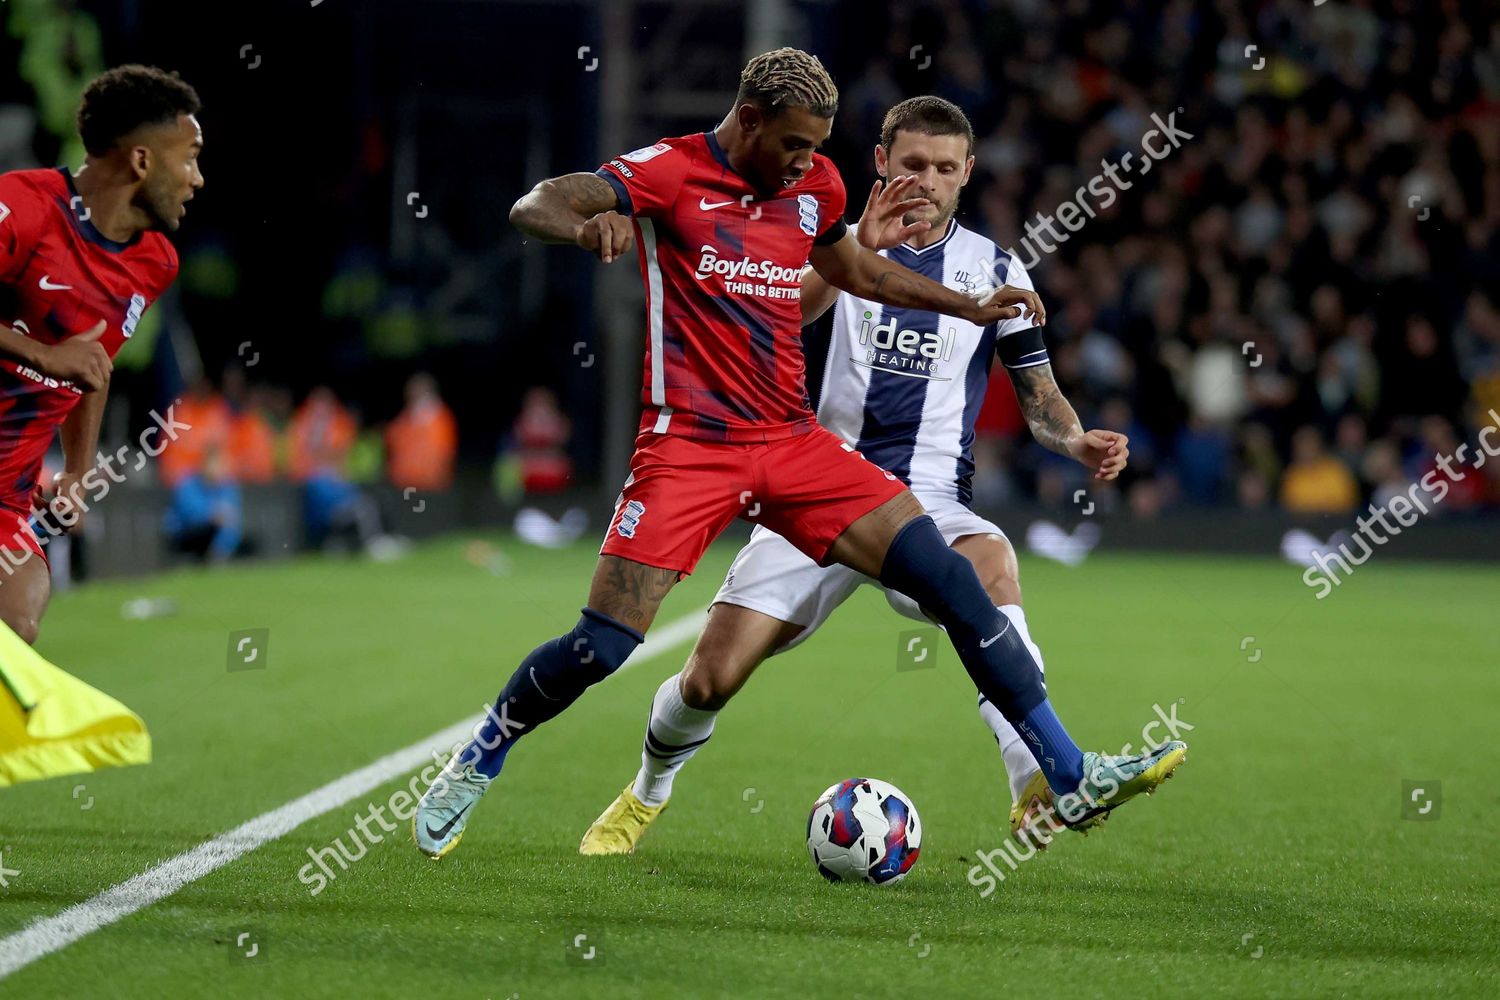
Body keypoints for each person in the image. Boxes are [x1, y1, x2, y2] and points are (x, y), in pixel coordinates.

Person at [414, 49, 1184, 859]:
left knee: (961, 579)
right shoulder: (672, 173)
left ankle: (1064, 772)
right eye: (794, 143)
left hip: (796, 446)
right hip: (691, 448)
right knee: (608, 648)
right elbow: (537, 200)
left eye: (818, 145)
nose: (808, 161)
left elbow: (859, 272)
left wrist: (969, 306)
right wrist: (585, 222)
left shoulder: (818, 191)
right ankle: (482, 757)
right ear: (749, 121)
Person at [580, 95, 1140, 854]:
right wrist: (852, 260)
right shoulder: (825, 234)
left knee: (992, 568)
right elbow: (791, 316)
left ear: (968, 173)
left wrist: (1075, 442)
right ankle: (647, 793)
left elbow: (1040, 401)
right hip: (817, 487)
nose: (928, 180)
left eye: (945, 168)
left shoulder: (996, 269)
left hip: (930, 502)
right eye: (912, 164)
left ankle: (1033, 783)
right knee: (710, 678)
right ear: (881, 162)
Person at [0, 64, 202, 643]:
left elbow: (91, 367)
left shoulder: (155, 261)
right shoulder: (24, 204)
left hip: (8, 498)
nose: (197, 178)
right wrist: (41, 352)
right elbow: (62, 359)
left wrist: (78, 476)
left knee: (16, 624)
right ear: (142, 161)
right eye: (189, 157)